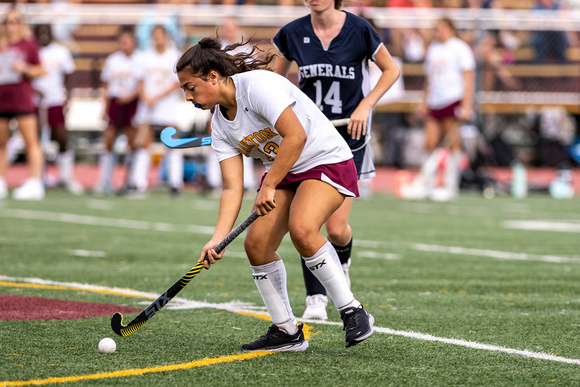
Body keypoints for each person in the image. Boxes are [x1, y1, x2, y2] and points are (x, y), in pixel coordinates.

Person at [177, 36, 374, 351]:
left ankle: (352, 310)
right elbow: (231, 187)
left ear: (213, 77)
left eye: (190, 87)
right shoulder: (219, 125)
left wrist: (268, 184)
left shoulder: (257, 87)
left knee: (303, 229)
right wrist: (217, 237)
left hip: (324, 158)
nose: (188, 96)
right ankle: (286, 331)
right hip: (284, 170)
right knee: (256, 246)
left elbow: (296, 136)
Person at [272, 0, 400, 319]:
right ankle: (316, 298)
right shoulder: (292, 33)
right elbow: (272, 85)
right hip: (311, 139)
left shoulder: (359, 30)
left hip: (348, 138)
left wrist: (365, 106)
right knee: (307, 220)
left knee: (337, 229)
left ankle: (341, 264)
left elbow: (392, 70)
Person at [418, 17, 475, 201]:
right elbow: (429, 78)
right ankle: (428, 184)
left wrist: (466, 105)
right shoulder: (434, 49)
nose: (437, 32)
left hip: (453, 98)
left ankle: (450, 185)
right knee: (430, 143)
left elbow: (468, 77)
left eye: (440, 28)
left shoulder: (460, 48)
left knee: (452, 144)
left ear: (450, 28)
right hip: (435, 99)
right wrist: (424, 101)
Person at [205, 17, 257, 195]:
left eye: (231, 28)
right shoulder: (216, 50)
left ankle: (248, 182)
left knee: (247, 140)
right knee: (216, 137)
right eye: (225, 28)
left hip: (242, 101)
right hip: (220, 100)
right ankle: (214, 180)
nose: (228, 31)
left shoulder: (246, 49)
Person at [32, 24, 83, 195]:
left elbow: (68, 75)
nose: (44, 35)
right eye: (40, 32)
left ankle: (66, 177)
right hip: (35, 102)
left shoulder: (60, 51)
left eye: (46, 32)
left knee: (61, 137)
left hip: (55, 100)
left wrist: (67, 96)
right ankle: (37, 177)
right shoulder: (32, 50)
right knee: (37, 140)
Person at [0, 8, 45, 200]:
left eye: (15, 21)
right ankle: (1, 180)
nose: (11, 26)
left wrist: (24, 68)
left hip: (22, 99)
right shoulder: (1, 45)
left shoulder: (29, 45)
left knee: (31, 142)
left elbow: (41, 70)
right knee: (1, 143)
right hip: (2, 99)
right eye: (7, 22)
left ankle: (35, 181)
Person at [132, 25, 183, 196]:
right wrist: (145, 97)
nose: (158, 39)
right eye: (155, 36)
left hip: (166, 105)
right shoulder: (144, 56)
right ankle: (139, 182)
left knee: (172, 142)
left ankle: (175, 182)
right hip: (148, 106)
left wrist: (157, 97)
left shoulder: (174, 55)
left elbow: (177, 83)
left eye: (161, 36)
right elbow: (139, 81)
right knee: (144, 143)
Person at [94, 26, 143, 195]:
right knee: (108, 141)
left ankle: (130, 181)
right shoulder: (113, 60)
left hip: (132, 103)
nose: (124, 45)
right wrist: (104, 108)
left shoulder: (140, 59)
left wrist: (130, 96)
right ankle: (105, 181)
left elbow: (141, 85)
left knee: (132, 142)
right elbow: (106, 86)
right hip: (115, 102)